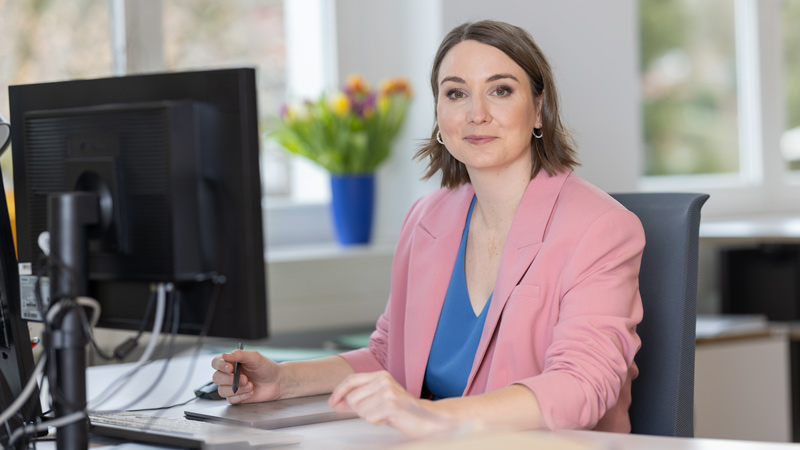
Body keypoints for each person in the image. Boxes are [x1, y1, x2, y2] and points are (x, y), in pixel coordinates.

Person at [211, 19, 644, 438]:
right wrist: (283, 381)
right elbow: (388, 355)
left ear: (539, 109)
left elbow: (582, 385)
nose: (477, 114)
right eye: (456, 93)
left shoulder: (600, 228)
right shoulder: (427, 218)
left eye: (500, 90)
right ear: (439, 114)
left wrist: (431, 415)